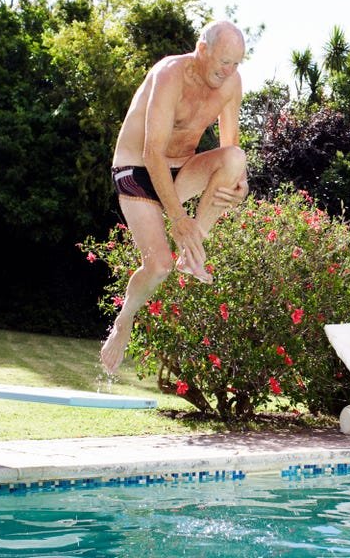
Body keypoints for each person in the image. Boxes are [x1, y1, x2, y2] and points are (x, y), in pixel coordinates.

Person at [100, 21, 250, 374]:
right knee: (158, 266)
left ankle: (192, 255)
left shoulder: (231, 83)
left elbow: (230, 144)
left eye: (236, 64)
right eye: (223, 62)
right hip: (137, 168)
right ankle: (124, 320)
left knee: (236, 160)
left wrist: (239, 186)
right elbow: (152, 152)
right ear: (202, 50)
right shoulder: (169, 74)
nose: (228, 71)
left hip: (180, 169)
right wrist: (179, 219)